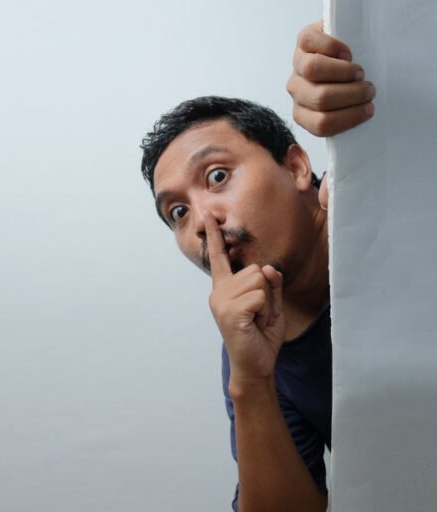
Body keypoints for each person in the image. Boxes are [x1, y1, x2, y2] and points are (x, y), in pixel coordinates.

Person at [140, 21, 375, 512]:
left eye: (218, 175)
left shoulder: (375, 185)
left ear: (296, 167)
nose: (204, 221)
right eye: (178, 213)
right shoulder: (252, 348)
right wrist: (251, 382)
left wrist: (360, 53)